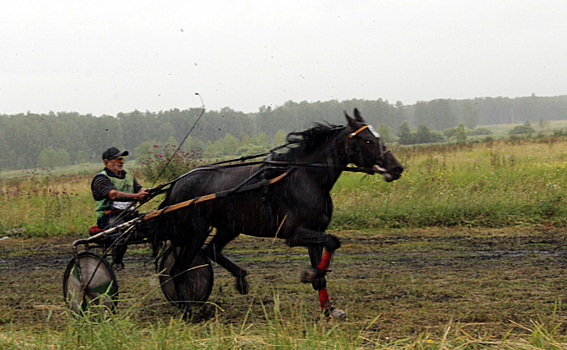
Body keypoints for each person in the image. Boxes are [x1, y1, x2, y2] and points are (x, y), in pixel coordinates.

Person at [91, 146, 149, 268]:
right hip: (109, 216)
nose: (121, 161)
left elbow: (139, 189)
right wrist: (136, 196)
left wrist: (146, 192)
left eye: (122, 158)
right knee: (120, 234)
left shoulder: (129, 175)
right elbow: (113, 195)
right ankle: (116, 262)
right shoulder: (100, 178)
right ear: (106, 162)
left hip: (130, 214)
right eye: (117, 159)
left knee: (156, 220)